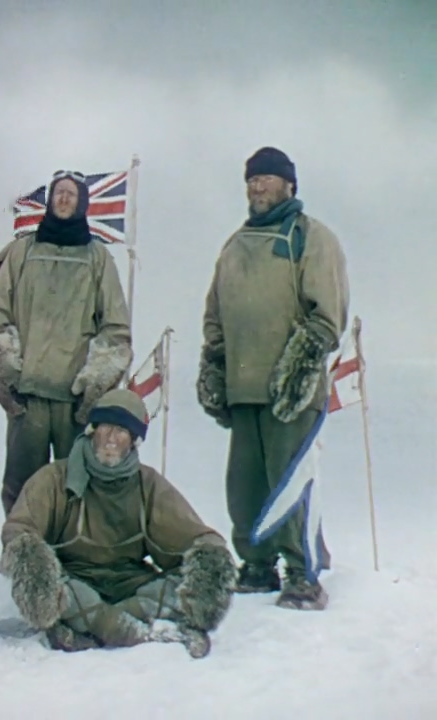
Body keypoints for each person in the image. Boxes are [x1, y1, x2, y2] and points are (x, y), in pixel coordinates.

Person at [196, 146, 349, 611]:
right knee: (245, 486)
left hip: (290, 393)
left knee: (290, 480)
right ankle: (257, 564)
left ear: (289, 185)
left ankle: (303, 573)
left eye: (265, 179)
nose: (256, 187)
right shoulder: (235, 243)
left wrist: (299, 370)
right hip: (244, 390)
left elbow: (326, 315)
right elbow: (215, 314)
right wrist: (215, 364)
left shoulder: (310, 237)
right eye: (251, 180)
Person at [0, 389, 237, 659]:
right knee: (46, 582)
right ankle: (127, 630)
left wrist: (209, 558)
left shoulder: (148, 484)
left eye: (122, 431)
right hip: (74, 581)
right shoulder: (54, 479)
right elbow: (19, 530)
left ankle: (91, 627)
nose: (111, 439)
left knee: (197, 574)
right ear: (92, 431)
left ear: (133, 440)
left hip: (130, 583)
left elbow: (193, 538)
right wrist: (34, 561)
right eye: (106, 428)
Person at [0, 169, 133, 517]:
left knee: (75, 483)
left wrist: (95, 384)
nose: (63, 199)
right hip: (27, 397)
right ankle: (19, 551)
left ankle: (72, 553)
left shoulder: (98, 258)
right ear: (49, 201)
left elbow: (116, 327)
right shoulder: (21, 253)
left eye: (71, 194)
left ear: (82, 203)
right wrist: (6, 373)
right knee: (21, 484)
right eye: (58, 193)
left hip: (74, 402)